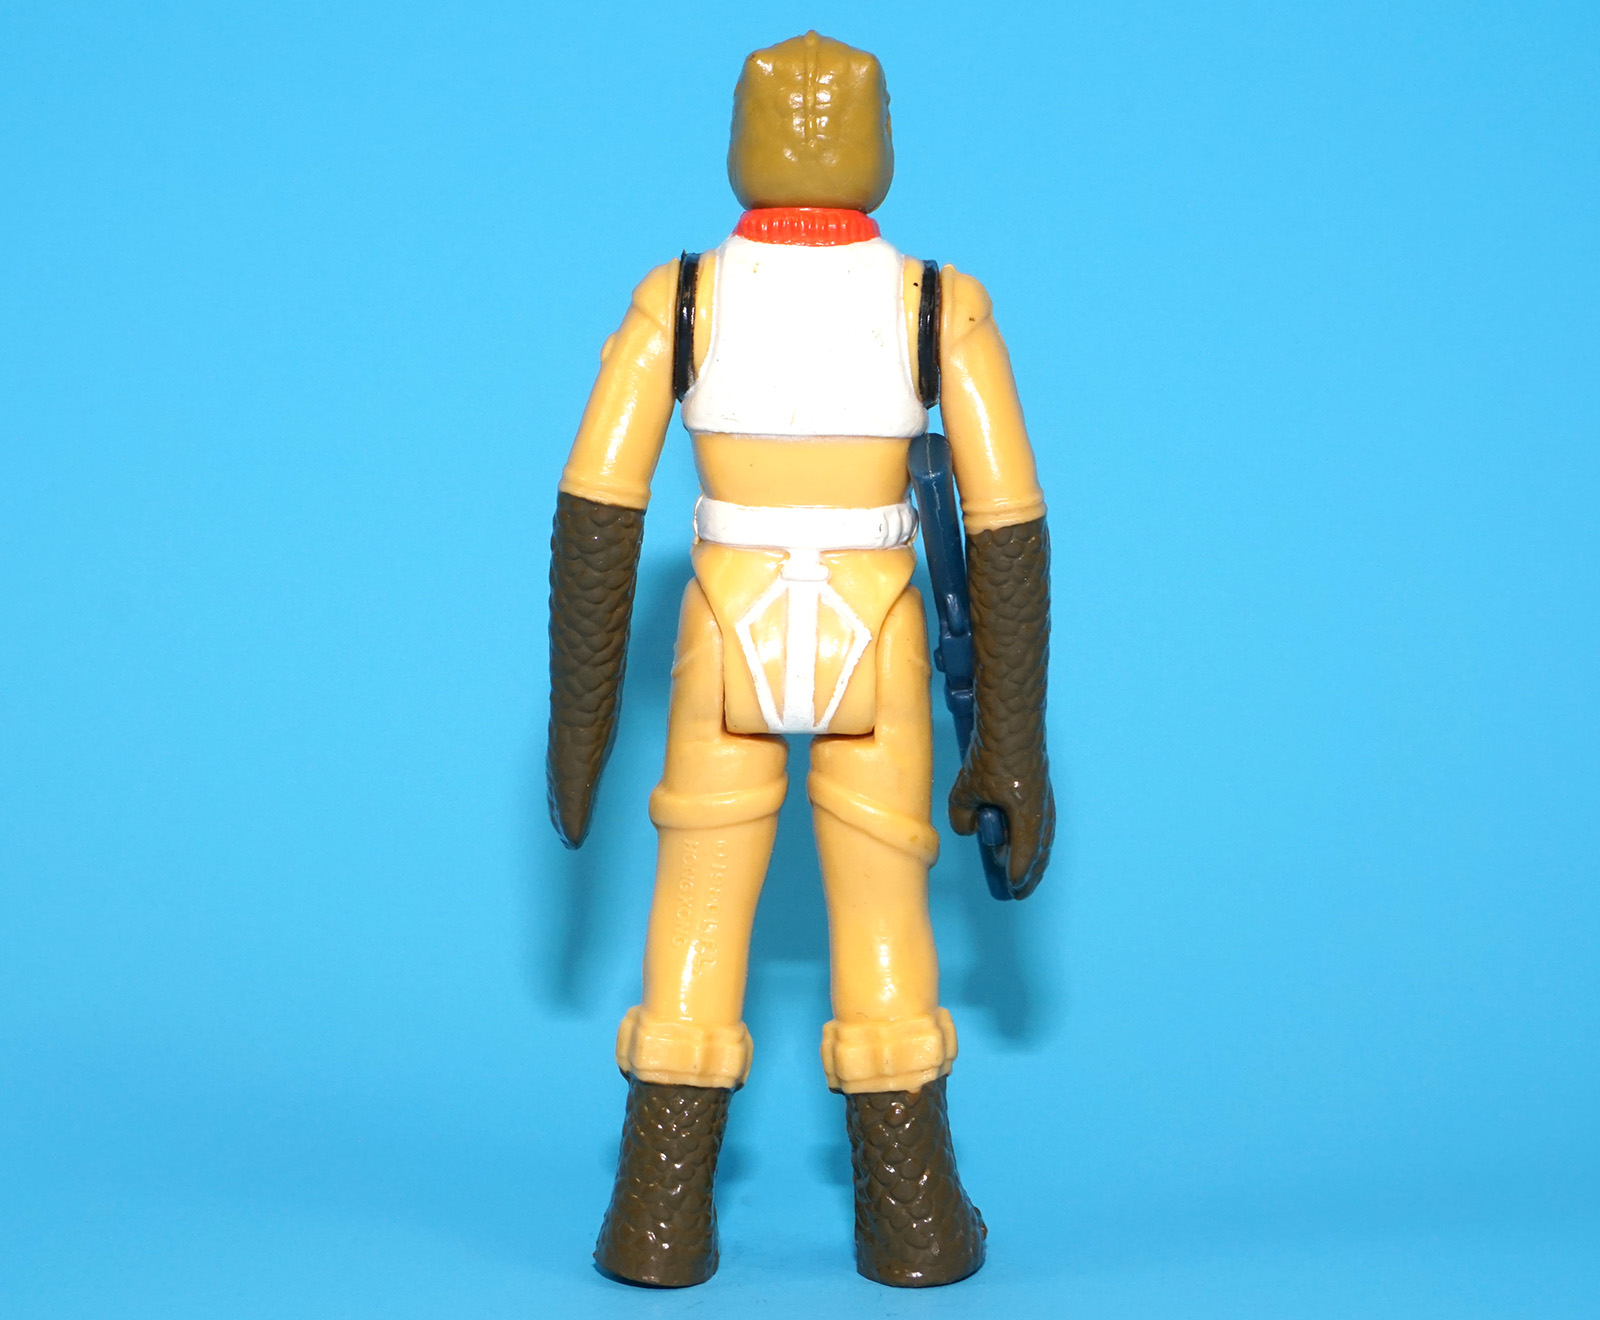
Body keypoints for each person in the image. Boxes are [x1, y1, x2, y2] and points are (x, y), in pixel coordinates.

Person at [546, 30, 1053, 1288]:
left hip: (725, 628)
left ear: (741, 141)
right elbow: (1006, 521)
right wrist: (1013, 737)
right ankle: (913, 1222)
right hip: (872, 635)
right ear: (881, 145)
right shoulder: (937, 304)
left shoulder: (682, 299)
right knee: (883, 907)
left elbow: (599, 500)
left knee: (695, 902)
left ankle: (656, 1222)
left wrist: (581, 715)